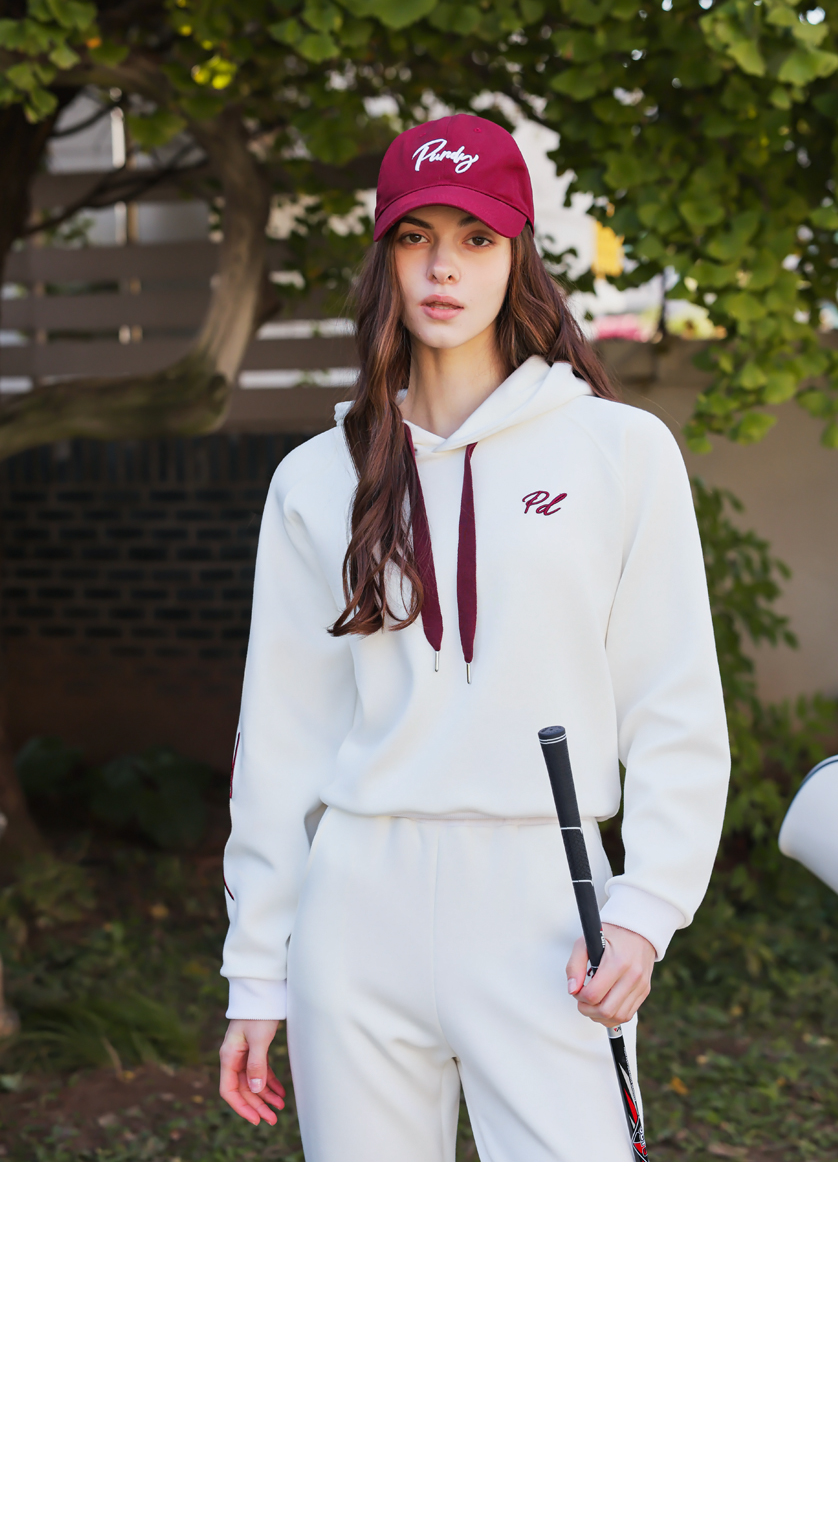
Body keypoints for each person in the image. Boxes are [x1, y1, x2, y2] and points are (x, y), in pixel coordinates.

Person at [217, 113, 730, 1161]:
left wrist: (646, 909)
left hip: (544, 903)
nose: (442, 267)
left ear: (517, 255)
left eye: (475, 238)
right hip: (357, 904)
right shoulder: (316, 477)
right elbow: (279, 739)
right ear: (385, 256)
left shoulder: (618, 451)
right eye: (415, 237)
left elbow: (673, 700)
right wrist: (256, 970)